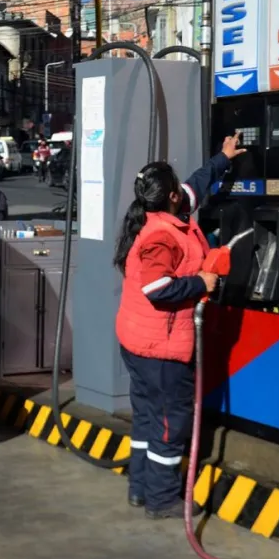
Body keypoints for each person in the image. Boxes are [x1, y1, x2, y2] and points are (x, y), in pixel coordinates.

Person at [113, 132, 245, 520]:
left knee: (148, 416)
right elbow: (157, 288)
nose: (183, 194)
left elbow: (196, 183)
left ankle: (140, 489)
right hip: (161, 347)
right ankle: (163, 498)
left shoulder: (157, 213)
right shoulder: (160, 235)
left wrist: (222, 159)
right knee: (172, 421)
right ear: (170, 197)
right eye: (177, 190)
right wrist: (200, 283)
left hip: (137, 341)